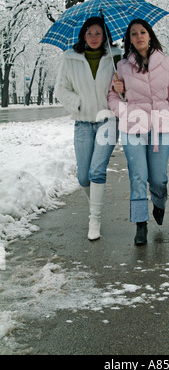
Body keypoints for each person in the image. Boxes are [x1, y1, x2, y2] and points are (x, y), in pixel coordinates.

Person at [108, 19, 169, 246]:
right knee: (138, 176)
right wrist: (122, 104)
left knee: (157, 179)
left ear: (150, 35)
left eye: (142, 32)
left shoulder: (166, 63)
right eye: (133, 34)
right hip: (133, 126)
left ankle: (160, 203)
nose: (139, 36)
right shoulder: (122, 66)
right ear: (129, 39)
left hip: (160, 127)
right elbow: (112, 98)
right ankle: (140, 223)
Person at [55, 16, 123, 241]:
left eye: (98, 33)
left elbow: (126, 89)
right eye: (89, 33)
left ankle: (94, 219)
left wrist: (122, 89)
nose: (94, 38)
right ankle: (95, 201)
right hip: (82, 122)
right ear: (83, 35)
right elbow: (61, 89)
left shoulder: (115, 57)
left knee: (96, 171)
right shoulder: (70, 58)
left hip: (108, 120)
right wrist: (78, 102)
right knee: (83, 177)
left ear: (105, 36)